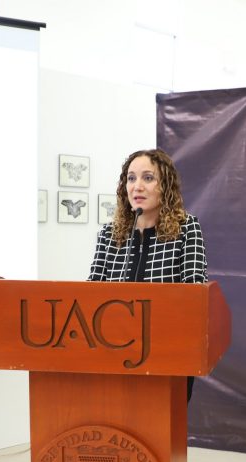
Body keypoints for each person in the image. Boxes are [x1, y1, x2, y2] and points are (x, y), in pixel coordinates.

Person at [88, 148, 207, 401]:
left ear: (165, 186)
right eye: (131, 178)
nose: (137, 186)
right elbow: (92, 291)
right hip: (115, 350)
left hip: (169, 350)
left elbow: (194, 290)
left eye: (148, 178)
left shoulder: (186, 228)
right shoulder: (110, 234)